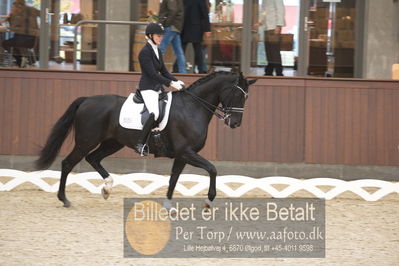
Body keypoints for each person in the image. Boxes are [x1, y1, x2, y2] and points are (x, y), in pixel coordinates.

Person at [134, 22, 185, 156]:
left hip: (158, 88)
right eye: (158, 36)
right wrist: (170, 83)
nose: (161, 38)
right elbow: (153, 74)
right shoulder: (144, 52)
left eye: (162, 36)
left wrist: (175, 80)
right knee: (154, 113)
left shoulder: (157, 50)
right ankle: (140, 143)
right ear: (150, 36)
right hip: (148, 88)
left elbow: (163, 71)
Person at [1, 0, 40, 67]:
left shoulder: (19, 14)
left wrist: (10, 18)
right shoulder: (32, 9)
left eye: (14, 7)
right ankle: (26, 58)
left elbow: (14, 28)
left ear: (18, 6)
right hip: (32, 39)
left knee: (5, 43)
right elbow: (43, 14)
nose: (13, 8)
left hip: (23, 39)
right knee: (13, 42)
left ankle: (20, 59)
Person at [180, 0, 211, 74]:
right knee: (196, 51)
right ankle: (200, 70)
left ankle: (177, 69)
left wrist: (207, 29)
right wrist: (207, 29)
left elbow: (204, 14)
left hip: (186, 28)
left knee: (183, 51)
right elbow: (205, 14)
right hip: (194, 28)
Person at [158, 0, 187, 73]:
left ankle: (155, 71)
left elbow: (173, 10)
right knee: (179, 52)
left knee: (161, 49)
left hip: (171, 26)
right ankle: (183, 72)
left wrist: (166, 23)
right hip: (175, 26)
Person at [259, 0, 285, 76]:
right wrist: (260, 22)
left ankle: (279, 72)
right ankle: (269, 70)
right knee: (268, 51)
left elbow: (280, 9)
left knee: (274, 51)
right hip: (267, 27)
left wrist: (279, 25)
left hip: (274, 27)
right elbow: (264, 11)